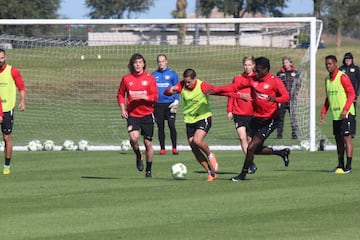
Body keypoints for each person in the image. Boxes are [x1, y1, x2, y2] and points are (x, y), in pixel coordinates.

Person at [210, 57, 291, 181]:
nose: (255, 73)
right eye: (255, 70)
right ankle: (282, 152)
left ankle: (242, 175)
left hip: (271, 119)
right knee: (255, 149)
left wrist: (275, 99)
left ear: (266, 70)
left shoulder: (275, 81)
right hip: (257, 118)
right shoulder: (252, 80)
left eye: (258, 70)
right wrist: (215, 90)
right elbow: (233, 87)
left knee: (251, 147)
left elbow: (286, 96)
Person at [164, 68, 218, 181]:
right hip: (190, 120)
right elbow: (166, 92)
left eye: (189, 82)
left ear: (194, 79)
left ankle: (210, 155)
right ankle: (210, 172)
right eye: (185, 81)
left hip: (204, 117)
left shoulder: (202, 85)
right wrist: (170, 90)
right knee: (194, 147)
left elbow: (217, 90)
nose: (187, 84)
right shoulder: (181, 85)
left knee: (197, 141)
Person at [117, 53, 158, 178]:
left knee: (148, 143)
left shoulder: (150, 78)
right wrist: (123, 108)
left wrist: (145, 97)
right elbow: (120, 94)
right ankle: (138, 155)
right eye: (135, 62)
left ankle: (149, 170)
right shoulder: (126, 79)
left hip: (147, 114)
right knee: (134, 138)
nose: (138, 65)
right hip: (133, 115)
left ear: (144, 64)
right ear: (132, 64)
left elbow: (155, 97)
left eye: (140, 62)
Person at [320, 55, 355, 173]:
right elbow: (328, 97)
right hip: (336, 115)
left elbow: (351, 94)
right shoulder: (327, 79)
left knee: (347, 139)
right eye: (326, 64)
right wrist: (323, 112)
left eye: (330, 64)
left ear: (335, 64)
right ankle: (340, 165)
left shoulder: (342, 77)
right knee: (338, 140)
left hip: (347, 113)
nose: (328, 66)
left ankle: (348, 167)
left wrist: (345, 109)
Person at [227, 56, 257, 173]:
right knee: (242, 137)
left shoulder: (256, 79)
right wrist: (229, 110)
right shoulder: (237, 78)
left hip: (252, 113)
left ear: (253, 66)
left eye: (249, 65)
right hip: (238, 112)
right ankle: (251, 163)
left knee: (250, 139)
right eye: (245, 65)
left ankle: (250, 159)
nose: (247, 67)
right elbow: (231, 93)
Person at [0, 48, 26, 175]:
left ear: (5, 57)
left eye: (1, 58)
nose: (0, 60)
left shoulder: (13, 71)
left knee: (6, 137)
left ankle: (6, 166)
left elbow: (21, 86)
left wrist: (22, 101)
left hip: (7, 110)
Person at [152, 54, 180, 155]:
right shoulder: (153, 75)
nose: (161, 63)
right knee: (160, 126)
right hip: (158, 104)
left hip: (170, 103)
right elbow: (151, 90)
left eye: (163, 61)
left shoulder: (172, 74)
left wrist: (176, 101)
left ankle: (174, 148)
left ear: (166, 61)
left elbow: (177, 88)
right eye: (159, 61)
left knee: (171, 125)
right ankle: (162, 148)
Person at [276, 56, 300, 139]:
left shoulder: (296, 73)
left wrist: (296, 95)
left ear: (290, 63)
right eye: (284, 62)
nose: (285, 64)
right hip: (282, 99)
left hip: (292, 99)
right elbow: (277, 87)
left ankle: (294, 135)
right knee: (280, 118)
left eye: (286, 62)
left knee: (293, 118)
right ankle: (279, 135)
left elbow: (298, 85)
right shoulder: (279, 74)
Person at [339, 52, 360, 136]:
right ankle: (344, 130)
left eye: (349, 59)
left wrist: (357, 92)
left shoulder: (356, 68)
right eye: (346, 59)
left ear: (352, 60)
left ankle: (352, 131)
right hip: (343, 95)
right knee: (343, 112)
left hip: (353, 94)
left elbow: (359, 81)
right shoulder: (341, 69)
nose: (348, 61)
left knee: (352, 113)